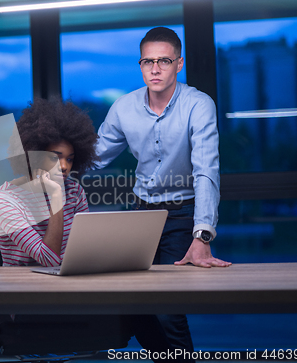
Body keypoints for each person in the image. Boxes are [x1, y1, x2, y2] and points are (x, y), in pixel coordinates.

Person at [0, 98, 174, 359]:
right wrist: (56, 200)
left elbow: (83, 249)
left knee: (138, 305)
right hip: (28, 302)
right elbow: (49, 260)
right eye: (55, 158)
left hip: (73, 292)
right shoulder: (4, 200)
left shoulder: (73, 190)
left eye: (70, 159)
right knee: (136, 312)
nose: (64, 167)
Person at [94, 27, 232, 357]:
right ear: (140, 65)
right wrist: (47, 171)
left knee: (169, 308)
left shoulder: (198, 105)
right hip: (142, 214)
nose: (155, 69)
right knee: (134, 307)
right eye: (147, 61)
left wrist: (202, 236)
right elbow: (93, 157)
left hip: (182, 212)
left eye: (164, 60)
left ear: (179, 64)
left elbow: (206, 170)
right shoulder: (123, 108)